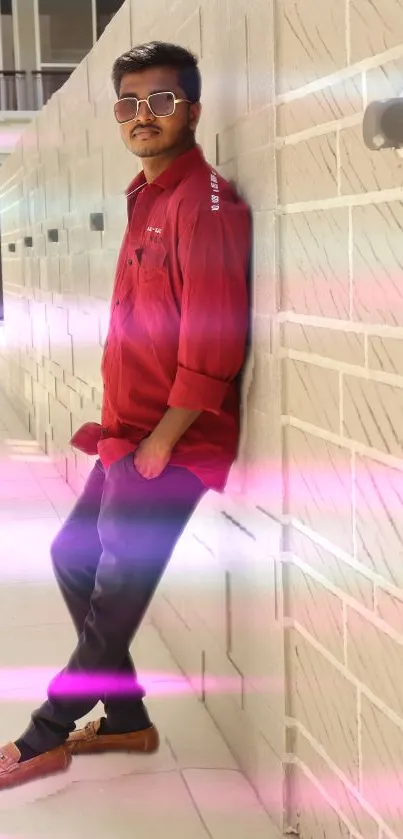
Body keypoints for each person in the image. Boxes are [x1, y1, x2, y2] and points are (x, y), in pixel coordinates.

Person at [0, 41, 251, 790]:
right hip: (129, 435)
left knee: (113, 602)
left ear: (192, 110)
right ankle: (126, 718)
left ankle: (43, 736)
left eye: (162, 101)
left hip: (170, 444)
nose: (145, 116)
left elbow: (214, 339)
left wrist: (164, 439)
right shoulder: (149, 195)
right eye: (131, 104)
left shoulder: (201, 206)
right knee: (74, 555)